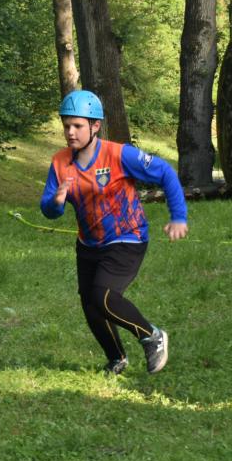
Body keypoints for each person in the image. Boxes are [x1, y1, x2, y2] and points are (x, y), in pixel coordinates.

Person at [39, 90, 188, 375]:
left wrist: (178, 216)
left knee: (103, 295)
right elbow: (48, 209)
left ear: (95, 126)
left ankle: (152, 336)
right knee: (90, 303)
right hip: (89, 243)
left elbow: (165, 173)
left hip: (127, 237)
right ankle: (116, 358)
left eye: (77, 126)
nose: (70, 132)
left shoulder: (119, 155)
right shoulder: (60, 163)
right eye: (66, 125)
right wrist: (56, 202)